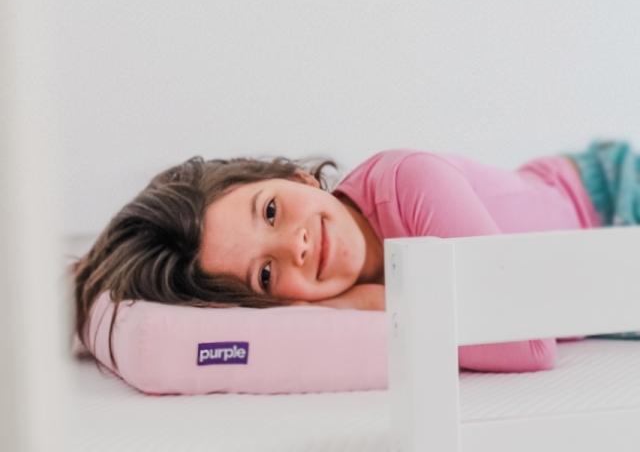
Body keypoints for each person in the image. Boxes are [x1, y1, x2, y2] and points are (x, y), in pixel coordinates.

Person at [72, 139, 637, 371]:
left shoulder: (408, 183)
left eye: (271, 211)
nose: (294, 245)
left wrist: (380, 301)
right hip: (600, 293)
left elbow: (530, 344)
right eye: (265, 274)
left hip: (608, 201)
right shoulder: (335, 303)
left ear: (292, 176)